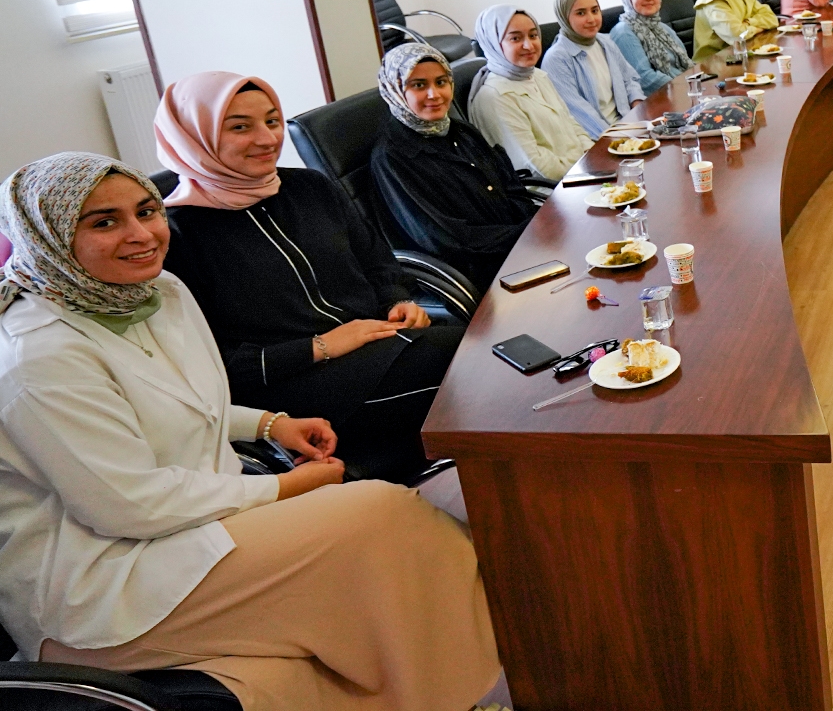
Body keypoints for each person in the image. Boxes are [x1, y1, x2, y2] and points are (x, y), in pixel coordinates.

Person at [0, 151, 499, 710]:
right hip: (104, 580)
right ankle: (490, 676)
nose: (141, 235)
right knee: (381, 518)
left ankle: (452, 682)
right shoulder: (37, 357)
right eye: (104, 222)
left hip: (186, 526)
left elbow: (179, 400)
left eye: (147, 211)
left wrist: (269, 424)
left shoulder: (159, 292)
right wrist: (286, 487)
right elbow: (128, 505)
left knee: (308, 661)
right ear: (46, 237)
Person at [154, 72, 463, 484]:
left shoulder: (309, 187)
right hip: (292, 387)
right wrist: (321, 347)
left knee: (477, 355)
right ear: (195, 136)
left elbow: (376, 259)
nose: (267, 139)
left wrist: (396, 300)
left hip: (378, 344)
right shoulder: (175, 237)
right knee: (470, 369)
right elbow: (208, 368)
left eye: (272, 121)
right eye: (240, 127)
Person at [370, 42, 539, 288]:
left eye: (441, 82)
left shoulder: (462, 131)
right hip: (476, 273)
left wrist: (536, 227)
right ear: (395, 90)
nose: (434, 94)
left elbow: (511, 186)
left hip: (519, 248)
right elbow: (446, 239)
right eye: (419, 85)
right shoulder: (393, 158)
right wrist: (526, 235)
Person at [466, 5, 594, 181]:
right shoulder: (494, 96)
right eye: (515, 38)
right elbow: (531, 165)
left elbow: (571, 122)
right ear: (493, 43)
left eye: (533, 36)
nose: (529, 45)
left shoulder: (537, 76)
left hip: (580, 172)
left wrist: (592, 155)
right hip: (550, 188)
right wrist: (582, 167)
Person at [545, 0, 665, 135]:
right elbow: (580, 113)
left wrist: (637, 107)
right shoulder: (556, 59)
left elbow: (630, 78)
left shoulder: (605, 41)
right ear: (564, 17)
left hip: (629, 125)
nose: (591, 19)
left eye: (595, 11)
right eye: (581, 13)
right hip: (598, 137)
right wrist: (620, 135)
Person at [611, 0, 691, 77]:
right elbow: (645, 78)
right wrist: (685, 85)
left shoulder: (662, 28)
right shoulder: (623, 32)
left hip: (685, 82)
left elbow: (687, 63)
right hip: (666, 86)